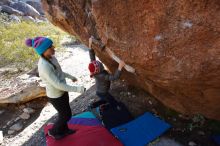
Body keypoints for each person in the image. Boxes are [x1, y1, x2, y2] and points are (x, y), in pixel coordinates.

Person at [25, 36, 85, 140]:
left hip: (62, 92)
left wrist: (70, 77)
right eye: (50, 47)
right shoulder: (44, 66)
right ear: (43, 51)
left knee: (64, 114)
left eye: (51, 45)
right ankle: (53, 132)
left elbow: (59, 72)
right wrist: (78, 89)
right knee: (66, 115)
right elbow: (57, 84)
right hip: (55, 96)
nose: (54, 47)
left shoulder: (51, 58)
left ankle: (64, 130)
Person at [88, 37, 125, 107]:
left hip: (100, 92)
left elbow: (92, 57)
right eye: (100, 65)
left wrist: (90, 44)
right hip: (103, 92)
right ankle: (116, 108)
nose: (101, 63)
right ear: (99, 69)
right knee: (112, 101)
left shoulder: (94, 70)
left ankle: (93, 105)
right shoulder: (102, 76)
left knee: (105, 99)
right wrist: (120, 67)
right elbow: (114, 77)